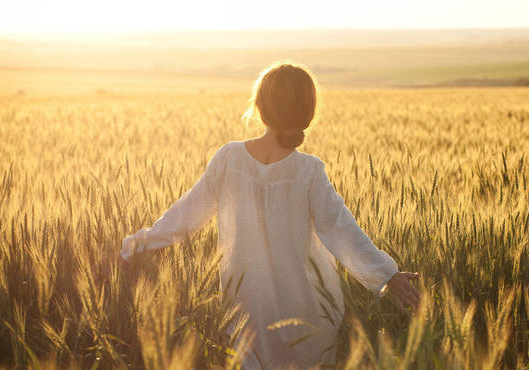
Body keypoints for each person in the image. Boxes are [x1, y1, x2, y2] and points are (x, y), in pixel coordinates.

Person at [118, 61, 422, 370]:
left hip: (245, 310)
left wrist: (132, 246)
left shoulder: (229, 159)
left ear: (260, 108)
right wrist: (386, 276)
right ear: (309, 113)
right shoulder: (307, 171)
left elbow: (184, 216)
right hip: (306, 312)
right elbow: (341, 231)